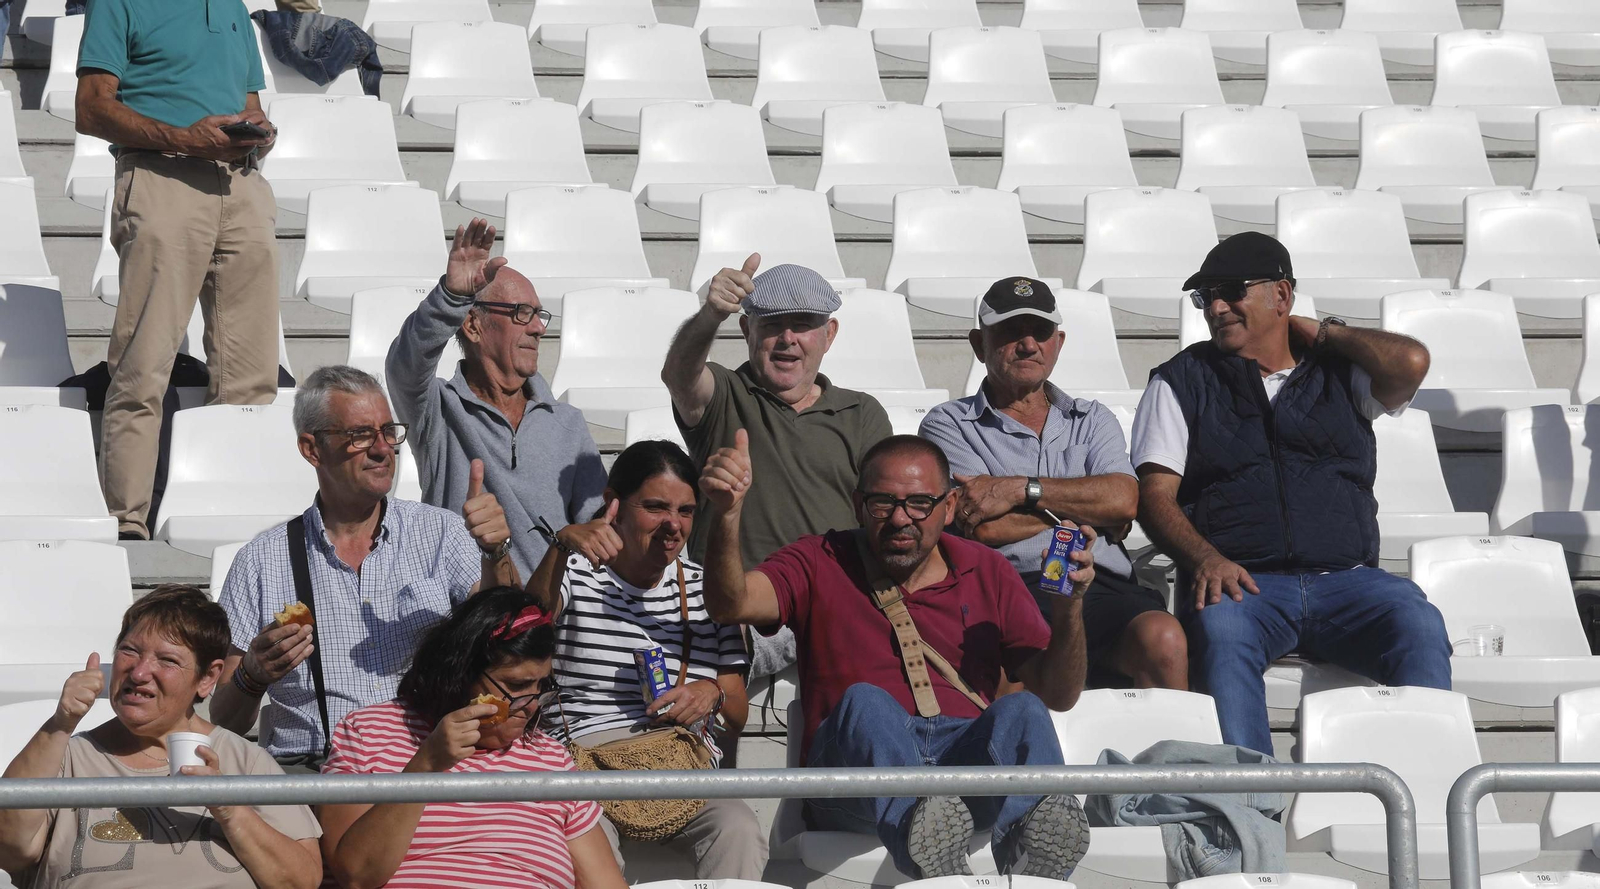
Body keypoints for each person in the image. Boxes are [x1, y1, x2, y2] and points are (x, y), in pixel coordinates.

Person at [700, 432, 1094, 880]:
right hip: (855, 780)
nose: (900, 518)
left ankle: (1032, 856)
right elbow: (731, 604)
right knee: (866, 702)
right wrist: (727, 515)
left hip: (961, 770)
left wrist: (1069, 609)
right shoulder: (818, 558)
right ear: (858, 505)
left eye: (920, 503)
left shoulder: (989, 569)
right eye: (882, 503)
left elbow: (1060, 696)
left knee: (1024, 709)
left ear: (949, 506)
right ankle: (924, 836)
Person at [1131, 231, 1452, 756]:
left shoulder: (1342, 372)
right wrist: (1206, 559)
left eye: (1230, 291)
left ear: (1281, 295)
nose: (1215, 308)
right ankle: (1248, 801)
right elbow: (1154, 496)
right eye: (1205, 296)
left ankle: (1427, 785)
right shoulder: (1180, 380)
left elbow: (1412, 361)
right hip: (1243, 585)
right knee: (1222, 633)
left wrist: (1324, 335)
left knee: (1417, 620)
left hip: (1349, 581)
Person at [213, 364, 518, 767]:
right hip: (313, 769)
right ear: (312, 449)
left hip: (428, 765)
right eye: (360, 435)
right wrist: (253, 675)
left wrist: (496, 552)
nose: (382, 448)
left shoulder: (442, 533)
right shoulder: (261, 560)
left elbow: (510, 636)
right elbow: (225, 720)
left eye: (388, 431)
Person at [77, 0, 282, 540]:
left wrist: (259, 130)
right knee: (143, 365)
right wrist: (184, 136)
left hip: (240, 184)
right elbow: (91, 109)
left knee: (252, 378)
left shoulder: (234, 7)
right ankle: (126, 524)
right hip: (160, 177)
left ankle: (232, 519)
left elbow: (249, 105)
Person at [920, 277, 1188, 691]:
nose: (1029, 345)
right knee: (1007, 676)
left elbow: (1124, 501)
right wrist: (1091, 514)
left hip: (1099, 583)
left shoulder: (1092, 418)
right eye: (1011, 331)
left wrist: (1017, 490)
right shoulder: (948, 424)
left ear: (1058, 343)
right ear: (978, 344)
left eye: (1041, 332)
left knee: (1164, 639)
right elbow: (985, 527)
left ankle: (1174, 739)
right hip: (1008, 588)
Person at [526, 439, 764, 880]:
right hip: (585, 764)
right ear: (613, 504)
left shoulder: (709, 591)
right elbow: (525, 629)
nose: (673, 525)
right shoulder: (573, 574)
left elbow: (736, 712)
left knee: (738, 828)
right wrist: (559, 546)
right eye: (655, 507)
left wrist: (710, 693)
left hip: (680, 763)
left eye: (686, 511)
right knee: (584, 838)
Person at [0, 585, 322, 888]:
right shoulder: (66, 756)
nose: (139, 673)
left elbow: (301, 881)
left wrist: (228, 808)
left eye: (167, 660)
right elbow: (9, 850)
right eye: (129, 651)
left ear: (207, 678)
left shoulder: (245, 762)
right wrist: (60, 723)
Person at [661, 257, 893, 676]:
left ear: (829, 334)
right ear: (746, 330)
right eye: (772, 324)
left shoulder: (863, 413)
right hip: (735, 608)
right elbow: (679, 375)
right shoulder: (724, 393)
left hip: (831, 605)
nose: (788, 339)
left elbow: (887, 513)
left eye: (803, 324)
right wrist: (711, 313)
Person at [317, 587, 627, 889]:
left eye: (541, 686)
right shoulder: (367, 731)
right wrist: (426, 766)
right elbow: (356, 875)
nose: (531, 705)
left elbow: (604, 883)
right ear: (462, 672)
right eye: (516, 686)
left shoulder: (550, 757)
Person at [388, 218, 608, 579]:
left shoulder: (568, 423)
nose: (538, 328)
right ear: (473, 325)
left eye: (539, 315)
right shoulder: (438, 411)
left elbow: (598, 528)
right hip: (467, 608)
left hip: (550, 608)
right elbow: (404, 365)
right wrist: (451, 298)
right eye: (522, 313)